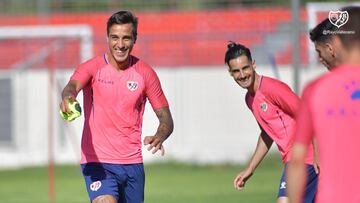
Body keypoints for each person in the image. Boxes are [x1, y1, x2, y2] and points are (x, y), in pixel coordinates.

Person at [59, 10, 174, 203]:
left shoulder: (146, 74)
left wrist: (160, 135)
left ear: (134, 39)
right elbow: (71, 87)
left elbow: (166, 119)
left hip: (133, 164)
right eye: (115, 38)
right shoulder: (92, 67)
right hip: (98, 162)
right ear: (107, 38)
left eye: (126, 38)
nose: (120, 45)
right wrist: (68, 98)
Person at [225, 42, 318, 203]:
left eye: (245, 68)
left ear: (253, 65)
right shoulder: (250, 99)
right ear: (230, 73)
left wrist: (319, 154)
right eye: (236, 71)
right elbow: (268, 133)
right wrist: (250, 169)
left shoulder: (272, 88)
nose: (242, 74)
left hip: (304, 157)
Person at [287, 6, 360, 203]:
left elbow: (297, 161)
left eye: (319, 52)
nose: (319, 59)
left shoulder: (315, 90)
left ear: (334, 44)